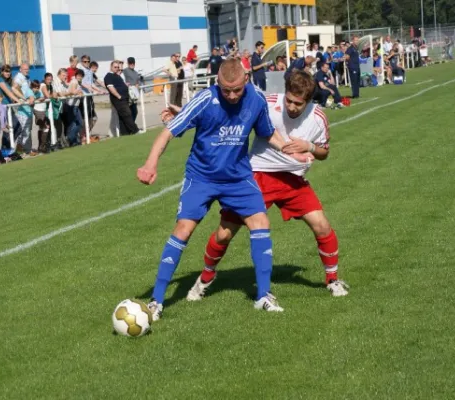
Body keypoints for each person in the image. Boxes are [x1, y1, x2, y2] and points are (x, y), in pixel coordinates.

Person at [136, 59, 295, 321]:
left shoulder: (255, 99)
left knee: (261, 222)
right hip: (201, 178)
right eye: (225, 90)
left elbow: (267, 133)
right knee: (183, 230)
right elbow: (168, 133)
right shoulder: (204, 100)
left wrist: (289, 148)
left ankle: (264, 296)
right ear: (217, 83)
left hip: (237, 178)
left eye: (236, 90)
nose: (232, 96)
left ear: (246, 80)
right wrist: (150, 164)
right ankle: (156, 301)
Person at [186, 70, 349, 302]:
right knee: (224, 234)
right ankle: (205, 278)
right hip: (257, 176)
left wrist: (309, 147)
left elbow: (324, 152)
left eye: (298, 103)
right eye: (289, 100)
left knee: (321, 225)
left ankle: (332, 280)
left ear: (309, 100)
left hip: (292, 180)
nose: (292, 107)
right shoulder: (268, 104)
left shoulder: (318, 117)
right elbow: (233, 111)